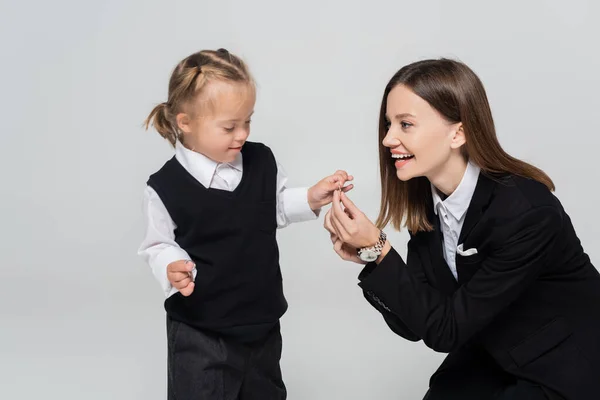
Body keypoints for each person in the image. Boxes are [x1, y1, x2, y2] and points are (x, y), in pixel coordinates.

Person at [323, 58, 600, 400]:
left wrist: (379, 248)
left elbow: (446, 331)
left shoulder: (527, 212)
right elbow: (417, 324)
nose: (388, 139)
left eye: (405, 124)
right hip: (492, 355)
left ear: (458, 132)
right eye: (388, 124)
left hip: (565, 366)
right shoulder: (429, 208)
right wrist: (371, 257)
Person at [138, 48, 352, 400]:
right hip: (202, 330)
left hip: (262, 323)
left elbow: (273, 205)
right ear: (184, 122)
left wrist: (313, 196)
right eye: (229, 127)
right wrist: (170, 265)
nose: (241, 134)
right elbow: (158, 244)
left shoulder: (260, 160)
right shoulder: (165, 186)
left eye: (247, 121)